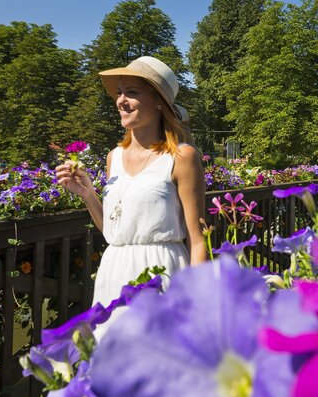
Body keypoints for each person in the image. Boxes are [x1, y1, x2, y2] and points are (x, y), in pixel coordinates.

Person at [55, 56, 207, 315]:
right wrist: (88, 194)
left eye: (132, 92)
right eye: (119, 92)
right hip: (114, 274)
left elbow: (197, 240)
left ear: (159, 102)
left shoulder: (182, 157)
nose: (121, 101)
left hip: (164, 274)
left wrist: (196, 303)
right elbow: (116, 233)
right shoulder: (114, 157)